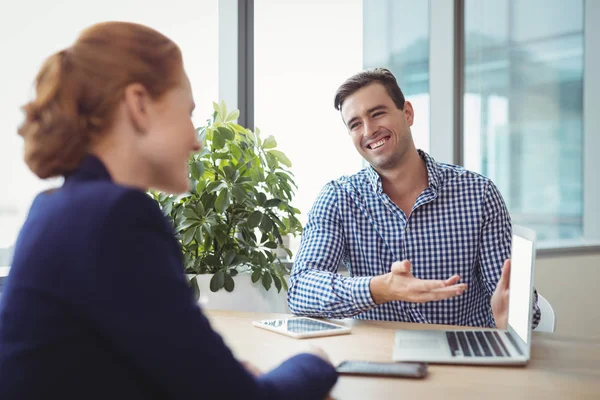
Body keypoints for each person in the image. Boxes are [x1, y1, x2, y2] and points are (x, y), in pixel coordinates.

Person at [0, 22, 337, 399]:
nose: (196, 141)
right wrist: (315, 361)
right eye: (187, 111)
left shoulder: (55, 207)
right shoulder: (117, 217)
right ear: (139, 104)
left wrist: (215, 375)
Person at [288, 68, 540, 329]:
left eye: (377, 113)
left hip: (460, 355)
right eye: (355, 124)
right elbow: (300, 290)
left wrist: (510, 316)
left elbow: (517, 304)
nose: (369, 130)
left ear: (407, 113)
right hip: (376, 359)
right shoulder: (338, 199)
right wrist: (382, 288)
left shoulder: (478, 193)